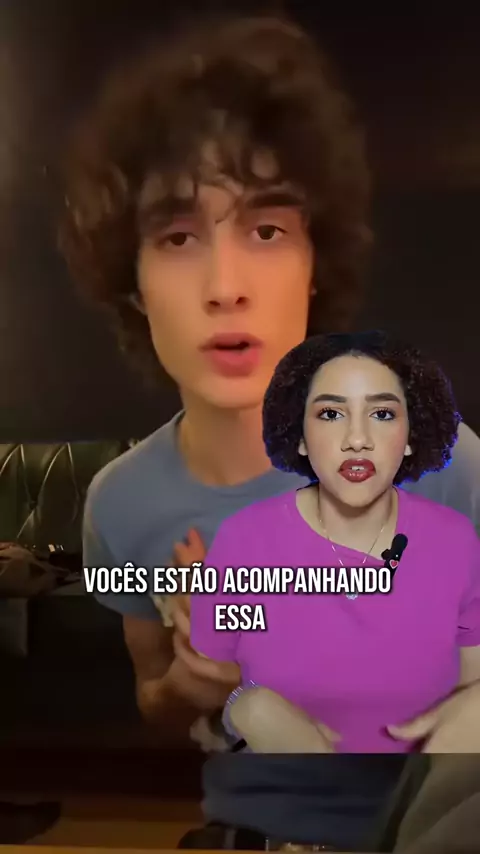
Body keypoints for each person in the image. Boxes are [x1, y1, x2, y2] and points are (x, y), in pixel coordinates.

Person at [59, 11, 480, 852]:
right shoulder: (119, 507)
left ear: (315, 263)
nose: (226, 286)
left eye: (267, 230)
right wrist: (186, 685)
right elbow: (154, 705)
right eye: (178, 236)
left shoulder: (436, 458)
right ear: (133, 282)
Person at [189, 331, 480, 757]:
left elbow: (473, 680)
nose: (357, 439)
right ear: (300, 435)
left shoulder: (455, 540)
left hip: (425, 789)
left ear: (411, 435)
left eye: (382, 414)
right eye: (330, 414)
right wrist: (246, 711)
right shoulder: (243, 542)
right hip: (286, 789)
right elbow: (210, 694)